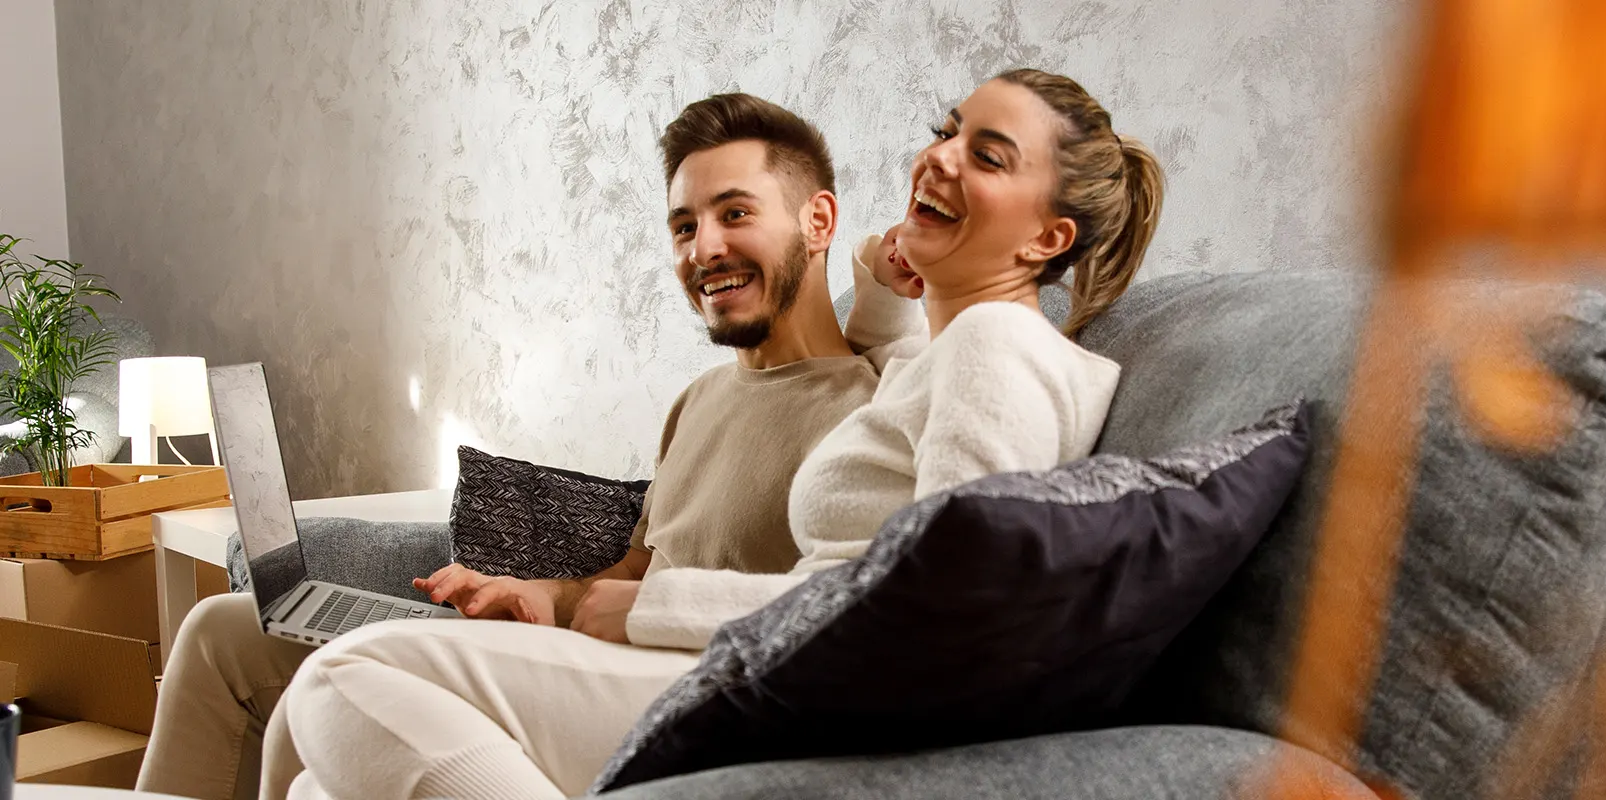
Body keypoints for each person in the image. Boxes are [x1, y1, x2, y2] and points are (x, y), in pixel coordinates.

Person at [260, 68, 1165, 799]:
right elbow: (900, 408)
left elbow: (939, 606)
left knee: (339, 684)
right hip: (764, 668)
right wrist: (885, 276)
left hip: (795, 699)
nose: (940, 157)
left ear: (1048, 237)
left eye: (990, 155)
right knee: (323, 777)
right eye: (948, 128)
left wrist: (633, 607)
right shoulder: (957, 351)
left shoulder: (994, 347)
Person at [135, 92, 907, 800]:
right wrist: (540, 593)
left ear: (818, 221)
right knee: (219, 633)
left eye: (735, 214)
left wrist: (893, 283)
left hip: (673, 699)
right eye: (684, 225)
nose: (704, 248)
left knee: (324, 728)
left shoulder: (877, 408)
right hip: (583, 657)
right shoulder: (697, 403)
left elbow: (864, 624)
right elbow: (640, 567)